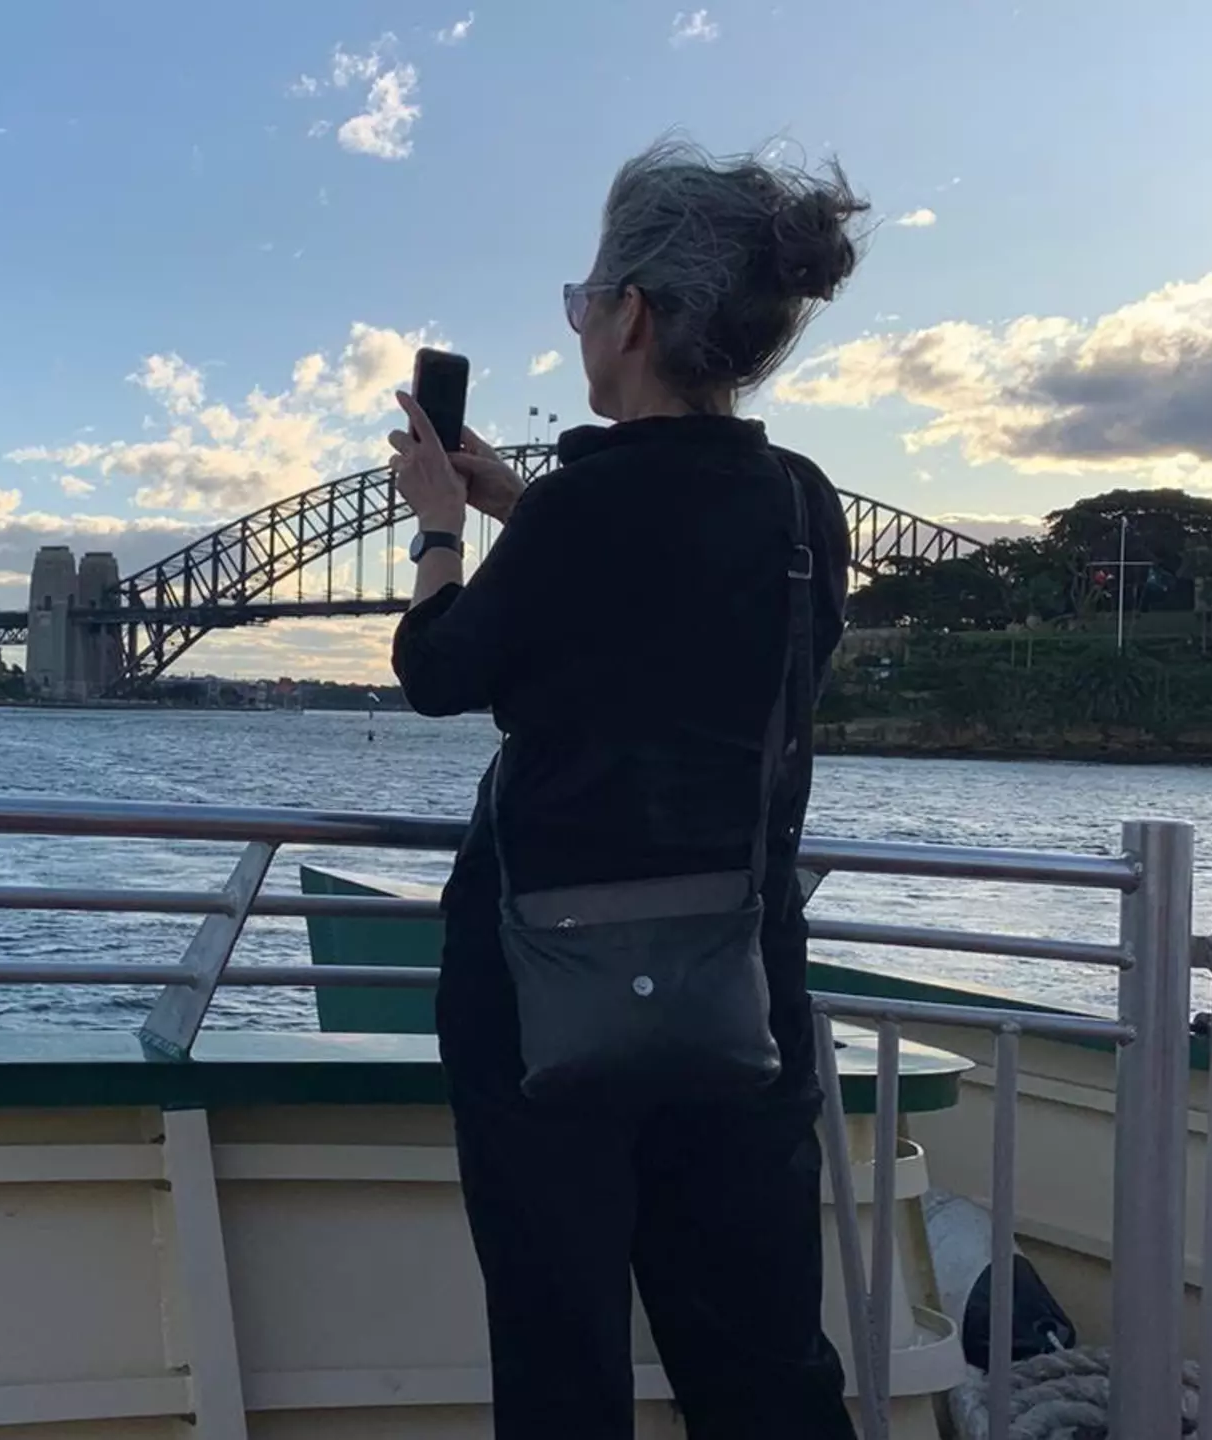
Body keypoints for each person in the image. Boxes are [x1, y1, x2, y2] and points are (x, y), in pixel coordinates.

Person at [387, 139, 864, 1438]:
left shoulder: (581, 515)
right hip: (742, 990)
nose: (583, 324)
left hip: (549, 997)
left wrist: (441, 521)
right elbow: (684, 625)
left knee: (563, 1359)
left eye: (584, 301)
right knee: (765, 1368)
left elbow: (437, 668)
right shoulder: (803, 506)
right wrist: (520, 508)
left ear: (635, 314)